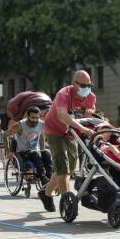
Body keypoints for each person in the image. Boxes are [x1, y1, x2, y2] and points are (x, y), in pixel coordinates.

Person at [38, 70, 96, 212]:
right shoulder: (63, 94)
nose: (86, 88)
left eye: (89, 85)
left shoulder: (90, 96)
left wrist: (90, 109)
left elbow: (92, 106)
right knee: (62, 168)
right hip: (54, 130)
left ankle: (45, 193)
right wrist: (82, 129)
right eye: (83, 85)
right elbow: (62, 115)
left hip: (71, 133)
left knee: (68, 168)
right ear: (74, 84)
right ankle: (68, 203)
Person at [3, 106, 50, 186]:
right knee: (35, 154)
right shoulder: (20, 125)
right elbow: (5, 135)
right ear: (27, 116)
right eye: (32, 117)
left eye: (37, 118)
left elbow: (41, 138)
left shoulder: (41, 124)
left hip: (35, 151)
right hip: (22, 152)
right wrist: (8, 151)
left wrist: (43, 150)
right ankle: (43, 178)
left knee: (47, 154)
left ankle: (49, 179)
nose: (35, 120)